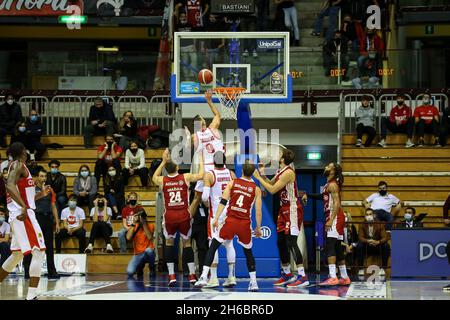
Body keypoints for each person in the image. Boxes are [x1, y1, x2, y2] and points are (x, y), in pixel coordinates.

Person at [195, 162, 262, 292]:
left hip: (230, 221)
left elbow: (223, 201)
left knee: (213, 245)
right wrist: (258, 227)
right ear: (253, 173)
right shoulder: (256, 189)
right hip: (244, 223)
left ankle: (204, 276)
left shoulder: (233, 183)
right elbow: (258, 211)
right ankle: (253, 282)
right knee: (248, 252)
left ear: (242, 170)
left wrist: (216, 218)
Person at [253, 149, 309, 288]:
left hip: (292, 209)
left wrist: (258, 178)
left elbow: (272, 191)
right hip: (283, 210)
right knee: (280, 241)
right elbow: (270, 184)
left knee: (291, 242)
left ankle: (302, 276)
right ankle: (287, 273)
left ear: (283, 158)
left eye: (280, 154)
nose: (277, 155)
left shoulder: (289, 172)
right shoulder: (280, 171)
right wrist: (262, 175)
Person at [0, 142, 46, 300]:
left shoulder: (18, 166)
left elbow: (22, 193)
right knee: (39, 252)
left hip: (19, 213)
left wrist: (41, 195)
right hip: (23, 215)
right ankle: (31, 296)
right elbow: (10, 187)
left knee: (17, 255)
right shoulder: (19, 165)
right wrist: (24, 207)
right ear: (23, 152)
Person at [152, 148, 204, 286]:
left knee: (169, 243)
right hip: (183, 215)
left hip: (169, 215)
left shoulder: (163, 180)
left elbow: (153, 177)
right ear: (177, 167)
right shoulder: (185, 177)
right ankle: (192, 275)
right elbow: (201, 175)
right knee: (187, 243)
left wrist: (163, 162)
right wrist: (202, 159)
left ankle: (171, 275)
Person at [200, 151, 237, 288]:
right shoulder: (231, 174)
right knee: (229, 244)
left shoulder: (209, 175)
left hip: (215, 214)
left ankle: (214, 278)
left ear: (213, 161)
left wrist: (209, 204)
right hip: (229, 214)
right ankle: (231, 276)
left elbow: (204, 197)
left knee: (213, 245)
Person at [187, 90, 224, 222]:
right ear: (203, 122)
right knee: (219, 198)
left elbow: (186, 146)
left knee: (197, 198)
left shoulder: (194, 136)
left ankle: (188, 222)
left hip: (206, 170)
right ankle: (216, 218)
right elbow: (217, 115)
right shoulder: (212, 129)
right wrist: (209, 101)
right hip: (219, 169)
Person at [23, 169, 60, 280]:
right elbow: (29, 202)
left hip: (47, 218)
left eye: (45, 176)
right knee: (32, 246)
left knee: (49, 246)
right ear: (37, 177)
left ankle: (51, 272)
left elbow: (53, 206)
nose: (43, 178)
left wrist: (57, 222)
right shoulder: (31, 189)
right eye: (41, 176)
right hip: (35, 218)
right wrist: (41, 193)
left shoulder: (50, 189)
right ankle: (27, 272)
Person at [318, 162, 351, 286]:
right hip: (336, 216)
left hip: (335, 217)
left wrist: (331, 219)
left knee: (330, 246)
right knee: (337, 247)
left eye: (328, 166)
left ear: (332, 171)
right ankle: (344, 277)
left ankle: (332, 276)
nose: (325, 167)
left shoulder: (332, 185)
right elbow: (323, 197)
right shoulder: (329, 184)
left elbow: (337, 203)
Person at [356, 208, 390, 277]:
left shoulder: (380, 224)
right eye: (367, 214)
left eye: (370, 214)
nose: (369, 216)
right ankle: (361, 269)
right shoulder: (362, 224)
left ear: (374, 215)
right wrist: (368, 241)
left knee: (386, 246)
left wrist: (378, 242)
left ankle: (383, 268)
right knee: (359, 245)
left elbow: (385, 237)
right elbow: (360, 237)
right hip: (366, 246)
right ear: (365, 216)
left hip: (377, 246)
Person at [126, 208, 156, 280]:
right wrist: (133, 223)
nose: (140, 218)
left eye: (141, 216)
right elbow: (128, 237)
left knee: (149, 251)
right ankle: (140, 267)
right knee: (130, 272)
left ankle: (152, 268)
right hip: (138, 254)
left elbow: (150, 237)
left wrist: (144, 223)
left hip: (147, 252)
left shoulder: (150, 225)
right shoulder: (134, 226)